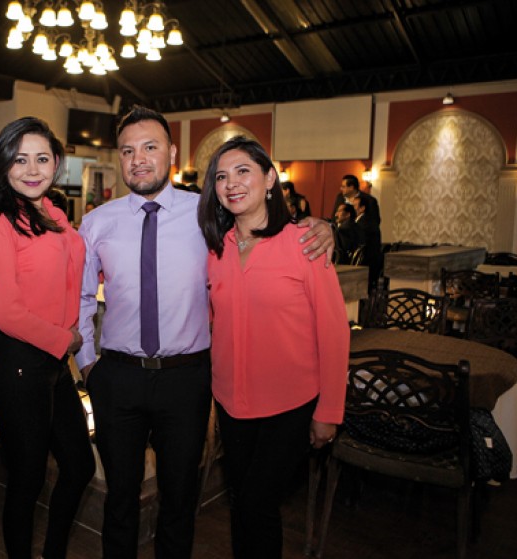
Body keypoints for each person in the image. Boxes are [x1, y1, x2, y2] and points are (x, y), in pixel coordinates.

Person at [76, 105, 335, 558]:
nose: (139, 159)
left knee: (180, 500)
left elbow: (262, 224)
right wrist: (88, 367)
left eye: (150, 147)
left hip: (186, 380)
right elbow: (81, 297)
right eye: (128, 151)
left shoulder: (206, 214)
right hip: (117, 377)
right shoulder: (97, 221)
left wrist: (323, 227)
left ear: (172, 153)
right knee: (120, 501)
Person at [196, 135, 349, 558]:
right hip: (232, 403)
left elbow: (334, 331)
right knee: (241, 503)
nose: (231, 183)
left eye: (243, 171)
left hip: (289, 405)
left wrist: (329, 411)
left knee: (257, 504)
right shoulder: (216, 249)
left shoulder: (304, 242)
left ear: (269, 179)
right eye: (221, 177)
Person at [0, 117, 95, 559]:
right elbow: (4, 310)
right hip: (18, 362)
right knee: (27, 480)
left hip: (52, 361)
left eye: (42, 159)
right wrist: (65, 339)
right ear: (4, 165)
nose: (32, 169)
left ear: (56, 163)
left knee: (79, 466)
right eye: (20, 159)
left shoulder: (55, 214)